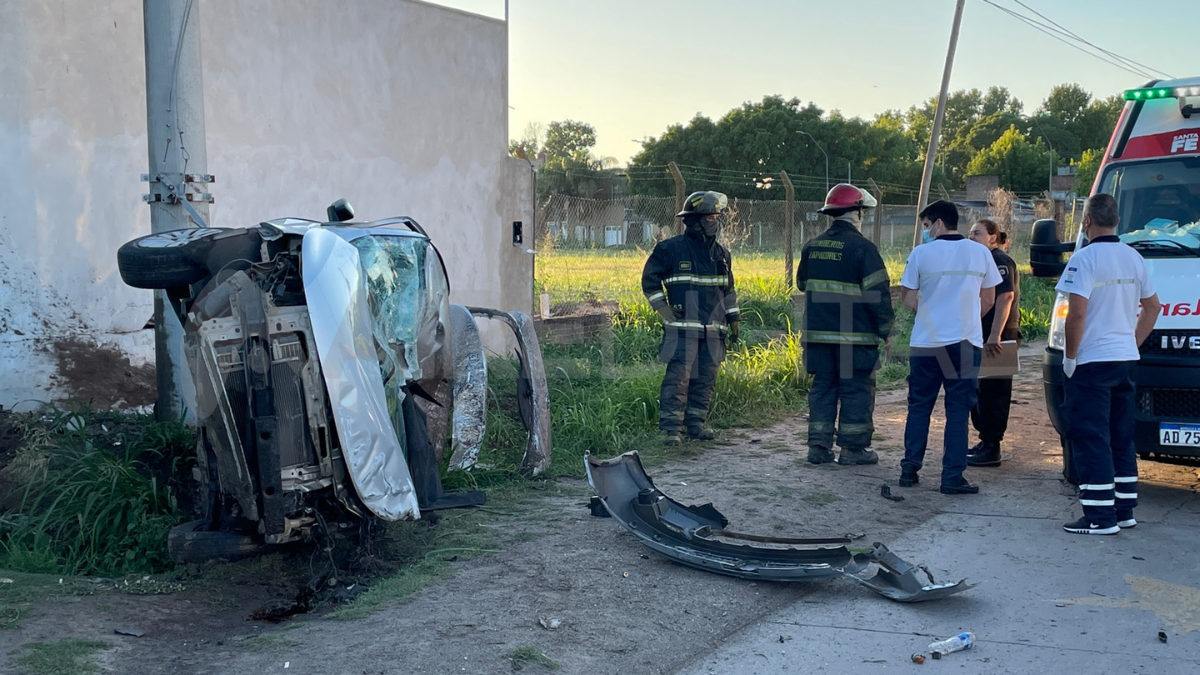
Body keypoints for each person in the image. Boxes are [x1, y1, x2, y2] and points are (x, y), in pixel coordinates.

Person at [1057, 193, 1161, 535]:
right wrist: (1131, 342)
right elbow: (1153, 307)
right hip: (1125, 359)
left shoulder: (1084, 260)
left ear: (1086, 221)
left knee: (1091, 436)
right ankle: (1124, 508)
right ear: (1116, 220)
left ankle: (1100, 517)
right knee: (1121, 435)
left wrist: (1070, 357)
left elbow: (1077, 314)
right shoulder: (1134, 257)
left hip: (1092, 361)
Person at [898, 200, 1002, 495]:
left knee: (919, 407)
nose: (926, 231)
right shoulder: (980, 252)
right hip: (965, 344)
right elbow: (990, 299)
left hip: (925, 344)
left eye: (928, 225)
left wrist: (930, 315)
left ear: (940, 223)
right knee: (958, 410)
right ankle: (952, 477)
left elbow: (907, 298)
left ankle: (909, 469)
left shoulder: (920, 253)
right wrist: (966, 319)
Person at [796, 184, 894, 465]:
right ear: (858, 212)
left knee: (823, 389)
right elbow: (878, 295)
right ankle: (852, 450)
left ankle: (818, 447)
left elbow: (802, 283)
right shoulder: (863, 248)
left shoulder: (812, 246)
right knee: (856, 390)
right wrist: (886, 330)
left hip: (817, 337)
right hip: (855, 338)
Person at [642, 191, 739, 446]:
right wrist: (663, 310)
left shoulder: (722, 254)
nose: (715, 221)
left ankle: (695, 424)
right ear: (695, 220)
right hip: (682, 331)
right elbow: (649, 282)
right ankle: (671, 430)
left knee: (706, 378)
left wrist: (734, 320)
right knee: (678, 379)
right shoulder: (670, 249)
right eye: (711, 216)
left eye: (716, 216)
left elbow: (728, 290)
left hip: (713, 331)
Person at [966, 219, 1020, 467]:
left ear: (993, 237)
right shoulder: (984, 259)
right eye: (970, 233)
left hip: (998, 337)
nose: (972, 237)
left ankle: (992, 446)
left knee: (994, 392)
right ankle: (985, 440)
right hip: (983, 334)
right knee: (980, 390)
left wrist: (995, 334)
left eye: (977, 233)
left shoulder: (999, 260)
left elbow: (1005, 297)